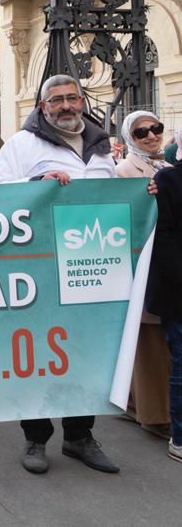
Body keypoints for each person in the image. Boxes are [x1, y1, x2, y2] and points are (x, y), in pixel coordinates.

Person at [0, 74, 120, 474]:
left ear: (82, 101)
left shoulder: (101, 147)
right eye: (56, 100)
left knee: (86, 352)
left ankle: (79, 436)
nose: (65, 106)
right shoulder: (22, 145)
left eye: (72, 98)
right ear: (43, 107)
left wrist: (144, 194)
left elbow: (113, 198)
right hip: (39, 267)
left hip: (91, 266)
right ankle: (36, 437)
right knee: (38, 354)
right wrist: (35, 185)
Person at [115, 111, 172, 439]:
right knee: (148, 341)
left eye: (156, 128)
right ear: (129, 138)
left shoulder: (166, 166)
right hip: (143, 263)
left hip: (167, 262)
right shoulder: (125, 170)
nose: (151, 135)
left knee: (162, 338)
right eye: (141, 132)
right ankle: (154, 415)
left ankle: (139, 404)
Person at [147, 151, 182, 463]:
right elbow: (163, 236)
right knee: (180, 367)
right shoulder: (167, 180)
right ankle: (180, 437)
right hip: (178, 292)